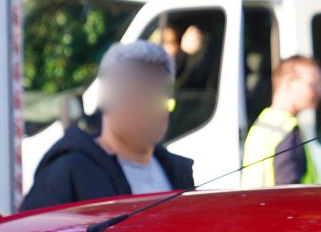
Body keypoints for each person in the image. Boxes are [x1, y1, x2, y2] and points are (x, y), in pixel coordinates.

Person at [22, 41, 193, 210]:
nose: (154, 109)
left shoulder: (178, 172)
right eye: (139, 98)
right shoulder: (68, 171)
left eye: (162, 99)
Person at [241, 56, 321, 189]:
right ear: (290, 83)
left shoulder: (263, 122)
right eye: (314, 84)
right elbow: (290, 196)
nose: (320, 92)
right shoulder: (287, 130)